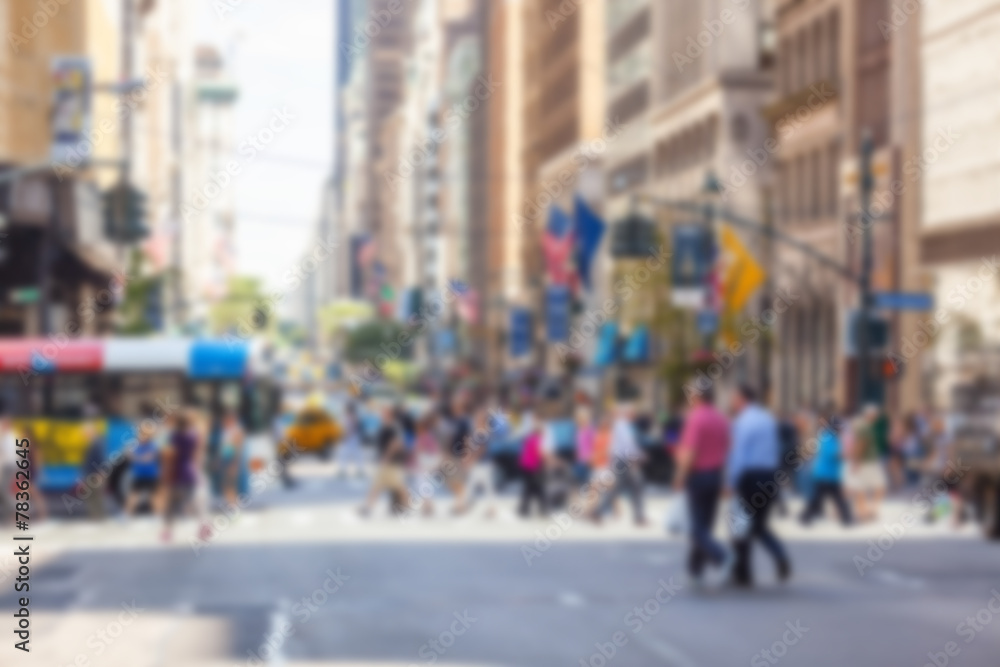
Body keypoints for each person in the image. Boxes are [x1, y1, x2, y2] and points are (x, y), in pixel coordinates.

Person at [727, 384, 791, 587]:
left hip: (750, 476)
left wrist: (731, 481)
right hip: (769, 475)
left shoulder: (743, 422)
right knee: (759, 524)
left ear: (742, 399)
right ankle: (779, 555)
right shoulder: (767, 419)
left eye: (734, 398)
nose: (732, 402)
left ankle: (742, 573)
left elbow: (739, 454)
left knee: (740, 524)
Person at [672, 385, 730, 585]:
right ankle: (695, 570)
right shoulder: (721, 419)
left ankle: (721, 557)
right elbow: (726, 451)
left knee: (697, 528)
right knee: (705, 525)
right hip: (715, 475)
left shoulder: (695, 418)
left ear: (697, 396)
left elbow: (690, 451)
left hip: (698, 476)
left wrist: (680, 476)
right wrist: (725, 481)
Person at [593, 402, 647, 526]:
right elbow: (628, 445)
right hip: (622, 462)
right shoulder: (622, 425)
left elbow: (627, 445)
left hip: (621, 460)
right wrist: (640, 456)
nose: (635, 415)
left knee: (630, 487)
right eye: (633, 413)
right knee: (628, 487)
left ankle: (639, 516)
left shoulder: (623, 425)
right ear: (627, 413)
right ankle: (598, 511)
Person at [163, 409, 211, 542]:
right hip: (191, 471)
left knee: (171, 505)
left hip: (177, 471)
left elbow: (171, 455)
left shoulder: (174, 436)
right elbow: (197, 454)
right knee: (197, 502)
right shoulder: (194, 436)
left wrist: (167, 472)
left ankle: (168, 531)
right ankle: (204, 527)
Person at [799, 408, 852, 526]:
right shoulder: (828, 437)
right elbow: (831, 454)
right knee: (832, 498)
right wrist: (843, 455)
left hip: (828, 473)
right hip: (826, 474)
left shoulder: (829, 436)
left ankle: (806, 516)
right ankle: (847, 518)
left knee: (822, 498)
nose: (841, 429)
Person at [358, 405, 410, 516]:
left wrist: (386, 458)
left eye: (384, 413)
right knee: (378, 485)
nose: (381, 415)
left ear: (389, 414)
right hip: (387, 462)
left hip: (392, 463)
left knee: (398, 486)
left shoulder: (393, 427)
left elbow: (396, 444)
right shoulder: (385, 426)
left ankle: (407, 506)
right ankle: (367, 507)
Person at [845, 404, 887, 523]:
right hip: (868, 462)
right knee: (877, 485)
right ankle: (867, 511)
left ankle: (865, 511)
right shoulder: (865, 426)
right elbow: (861, 444)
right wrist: (856, 461)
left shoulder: (865, 425)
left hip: (868, 461)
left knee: (862, 487)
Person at [459, 404, 501, 517]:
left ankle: (465, 505)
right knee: (475, 485)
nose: (477, 418)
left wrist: (471, 460)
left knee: (483, 487)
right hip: (479, 464)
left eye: (479, 417)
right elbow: (470, 447)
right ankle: (464, 505)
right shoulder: (477, 431)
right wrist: (467, 456)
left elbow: (481, 449)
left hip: (483, 464)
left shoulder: (483, 432)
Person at [126, 419, 161, 516]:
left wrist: (134, 457)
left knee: (154, 496)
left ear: (149, 436)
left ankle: (158, 516)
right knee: (133, 495)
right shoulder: (137, 445)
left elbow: (148, 459)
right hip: (139, 475)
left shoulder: (152, 445)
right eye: (141, 434)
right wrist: (132, 456)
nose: (141, 436)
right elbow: (130, 456)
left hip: (151, 475)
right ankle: (126, 515)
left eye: (144, 434)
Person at [518, 415, 546, 518]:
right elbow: (540, 454)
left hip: (525, 466)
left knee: (530, 488)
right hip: (531, 467)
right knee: (537, 488)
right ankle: (542, 509)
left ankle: (523, 509)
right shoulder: (537, 439)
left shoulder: (530, 438)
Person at [218, 409, 244, 506]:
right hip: (225, 458)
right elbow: (222, 447)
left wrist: (235, 463)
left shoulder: (236, 431)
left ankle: (232, 504)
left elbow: (238, 448)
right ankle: (229, 502)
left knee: (230, 483)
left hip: (232, 459)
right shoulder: (225, 431)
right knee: (225, 483)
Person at [338, 402, 365, 479]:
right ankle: (357, 470)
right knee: (353, 454)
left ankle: (345, 470)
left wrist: (347, 435)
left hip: (351, 438)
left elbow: (351, 427)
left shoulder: (351, 417)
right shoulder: (351, 416)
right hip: (353, 438)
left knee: (347, 453)